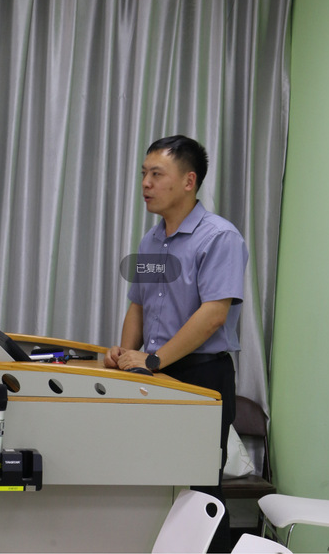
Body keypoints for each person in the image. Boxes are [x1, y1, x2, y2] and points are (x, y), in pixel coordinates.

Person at [104, 135, 248, 552]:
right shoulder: (151, 241)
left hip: (201, 376)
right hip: (152, 374)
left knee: (199, 490)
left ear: (189, 181)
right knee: (149, 481)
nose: (145, 184)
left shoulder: (219, 237)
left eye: (156, 174)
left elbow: (213, 315)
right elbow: (138, 305)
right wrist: (125, 357)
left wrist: (151, 360)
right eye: (143, 174)